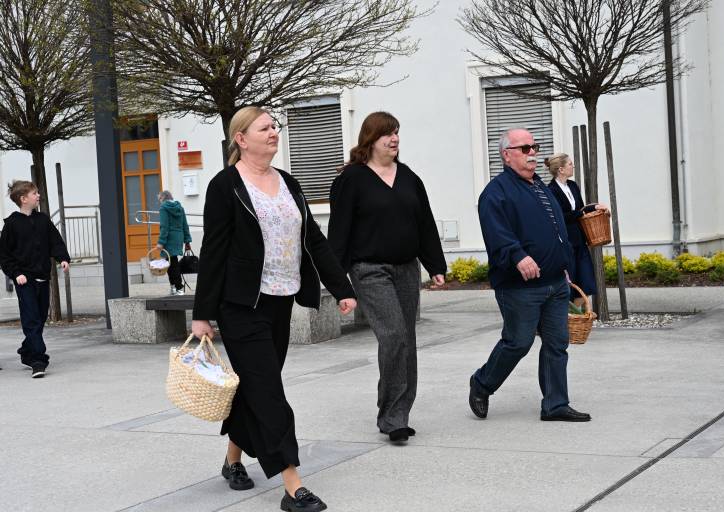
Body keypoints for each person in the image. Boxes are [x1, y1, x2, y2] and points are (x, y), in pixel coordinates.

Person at [191, 106, 357, 512]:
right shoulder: (225, 186)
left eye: (274, 127)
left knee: (256, 387)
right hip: (240, 305)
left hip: (281, 301)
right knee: (269, 392)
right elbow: (213, 250)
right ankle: (292, 486)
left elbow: (313, 239)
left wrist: (341, 287)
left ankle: (232, 460)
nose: (273, 132)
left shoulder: (288, 182)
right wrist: (202, 313)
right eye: (264, 127)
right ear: (241, 139)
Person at [328, 111, 447, 444]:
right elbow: (339, 231)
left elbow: (425, 223)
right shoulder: (351, 179)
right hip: (369, 270)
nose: (394, 139)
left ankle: (398, 413)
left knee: (406, 339)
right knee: (393, 335)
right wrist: (338, 284)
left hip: (407, 268)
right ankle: (392, 415)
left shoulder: (408, 177)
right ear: (370, 139)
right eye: (387, 134)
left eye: (396, 132)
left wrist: (435, 265)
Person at [468, 128, 591, 422]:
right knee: (518, 342)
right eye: (525, 148)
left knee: (557, 343)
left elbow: (556, 229)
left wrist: (563, 263)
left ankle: (555, 404)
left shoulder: (540, 187)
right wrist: (518, 255)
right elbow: (497, 234)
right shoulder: (495, 193)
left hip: (555, 282)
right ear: (506, 155)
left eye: (534, 146)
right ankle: (482, 383)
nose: (533, 153)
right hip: (519, 286)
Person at [0, 181, 70, 378]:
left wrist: (63, 258)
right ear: (23, 199)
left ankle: (26, 350)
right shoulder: (12, 224)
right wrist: (16, 273)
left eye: (38, 192)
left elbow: (55, 241)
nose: (38, 196)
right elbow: (4, 255)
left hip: (42, 278)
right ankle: (38, 361)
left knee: (39, 319)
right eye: (34, 193)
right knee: (31, 319)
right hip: (24, 280)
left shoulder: (43, 220)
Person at [545, 154, 608, 308]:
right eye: (570, 164)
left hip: (580, 239)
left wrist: (595, 207)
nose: (572, 166)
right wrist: (579, 213)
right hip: (566, 242)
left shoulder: (573, 185)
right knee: (570, 283)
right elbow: (559, 216)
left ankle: (575, 314)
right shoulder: (551, 190)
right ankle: (570, 316)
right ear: (561, 169)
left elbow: (580, 208)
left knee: (586, 282)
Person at [155, 190, 192, 296]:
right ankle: (175, 287)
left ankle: (178, 287)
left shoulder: (163, 208)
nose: (160, 201)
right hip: (178, 238)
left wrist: (161, 242)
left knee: (171, 264)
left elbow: (164, 227)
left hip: (169, 239)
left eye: (159, 199)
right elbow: (185, 225)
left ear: (163, 198)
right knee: (172, 262)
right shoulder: (180, 207)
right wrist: (187, 241)